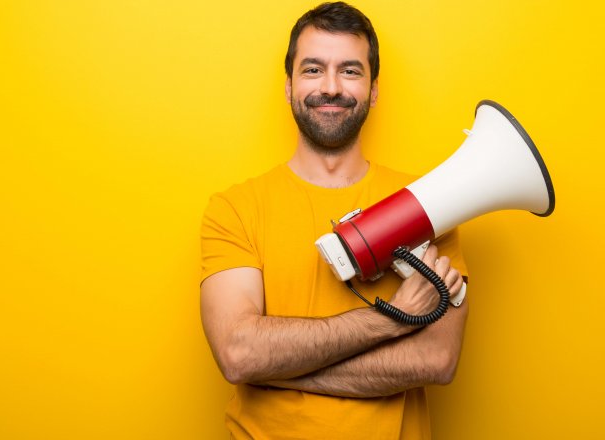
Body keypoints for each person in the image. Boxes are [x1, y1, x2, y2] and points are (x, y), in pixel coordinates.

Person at [199, 2, 469, 438]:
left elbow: (436, 360)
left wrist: (275, 368)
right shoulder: (235, 208)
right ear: (288, 86)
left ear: (373, 89)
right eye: (312, 70)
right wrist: (394, 317)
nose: (330, 87)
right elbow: (238, 352)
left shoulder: (431, 203)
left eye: (349, 70)